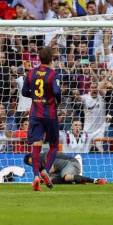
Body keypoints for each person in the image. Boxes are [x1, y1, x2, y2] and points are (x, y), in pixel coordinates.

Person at [21, 46, 61, 191]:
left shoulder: (31, 73)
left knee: (36, 145)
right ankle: (46, 171)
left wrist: (36, 97)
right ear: (51, 59)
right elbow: (56, 91)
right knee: (54, 145)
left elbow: (24, 91)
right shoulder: (53, 74)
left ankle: (35, 176)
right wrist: (57, 100)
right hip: (50, 115)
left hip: (35, 114)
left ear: (39, 58)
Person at [23, 153, 107, 185]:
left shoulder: (45, 157)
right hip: (62, 170)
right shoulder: (40, 167)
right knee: (51, 181)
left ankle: (95, 181)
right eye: (31, 163)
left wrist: (41, 179)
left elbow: (51, 169)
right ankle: (77, 181)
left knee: (65, 177)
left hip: (72, 163)